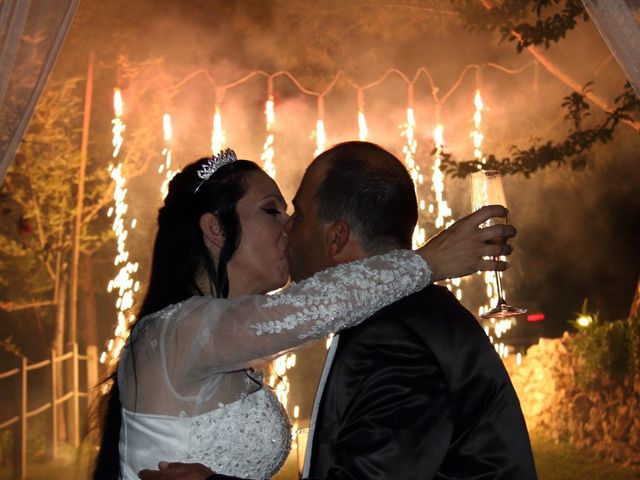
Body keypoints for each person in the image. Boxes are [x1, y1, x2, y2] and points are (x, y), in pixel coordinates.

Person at [95, 147, 515, 480]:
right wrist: (428, 262)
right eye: (272, 210)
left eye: (292, 212)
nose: (289, 226)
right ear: (216, 229)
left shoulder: (230, 342)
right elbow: (311, 308)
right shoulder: (179, 328)